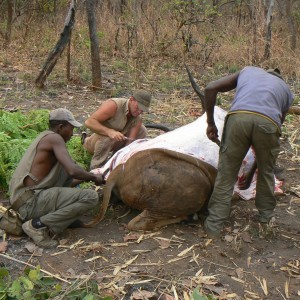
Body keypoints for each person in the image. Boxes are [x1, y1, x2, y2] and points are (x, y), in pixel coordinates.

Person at [203, 66, 294, 238]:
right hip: (269, 123)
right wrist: (256, 168)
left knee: (227, 173)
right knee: (266, 172)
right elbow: (276, 126)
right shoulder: (286, 92)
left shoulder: (248, 71)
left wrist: (210, 123)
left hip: (239, 118)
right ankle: (265, 221)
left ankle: (214, 226)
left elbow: (210, 88)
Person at [9, 108, 104, 248]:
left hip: (24, 200)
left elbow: (68, 181)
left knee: (74, 182)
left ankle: (57, 220)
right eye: (71, 129)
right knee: (90, 197)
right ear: (61, 127)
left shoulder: (45, 138)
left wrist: (87, 177)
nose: (72, 134)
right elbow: (72, 171)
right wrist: (94, 177)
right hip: (29, 203)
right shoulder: (55, 138)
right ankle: (36, 226)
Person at [82, 90, 152, 170]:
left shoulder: (137, 118)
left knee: (142, 130)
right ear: (132, 99)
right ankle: (96, 169)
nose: (139, 111)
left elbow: (129, 143)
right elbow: (89, 122)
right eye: (138, 107)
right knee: (108, 138)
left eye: (142, 110)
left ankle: (115, 163)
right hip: (96, 142)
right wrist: (109, 132)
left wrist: (123, 156)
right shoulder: (113, 105)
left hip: (115, 142)